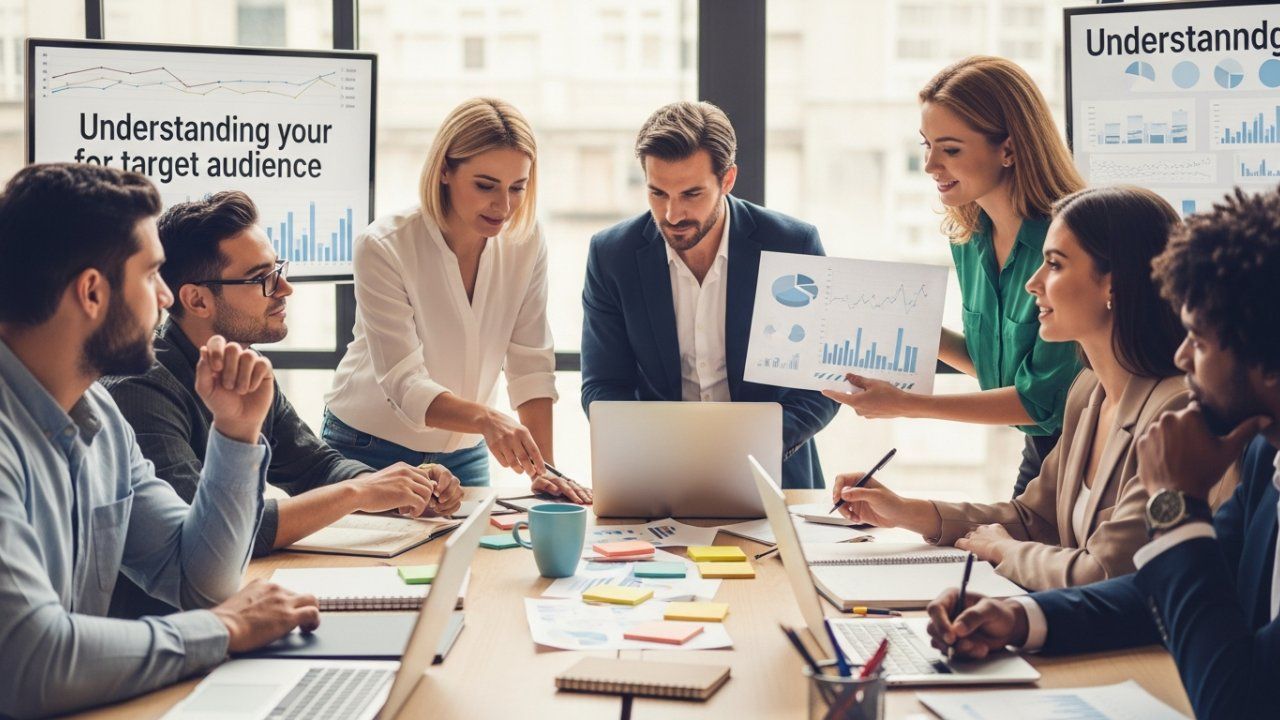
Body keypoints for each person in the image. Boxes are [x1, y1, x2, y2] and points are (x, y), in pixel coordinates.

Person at [923, 188, 1280, 719]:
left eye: (1201, 342)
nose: (1184, 356)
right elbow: (1158, 592)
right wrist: (1020, 618)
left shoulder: (1188, 420)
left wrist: (1176, 504)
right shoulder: (1264, 461)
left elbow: (1236, 704)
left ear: (1267, 363)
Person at [0, 163, 319, 718]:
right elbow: (31, 662)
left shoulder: (100, 417)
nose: (167, 298)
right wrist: (224, 629)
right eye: (151, 276)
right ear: (92, 293)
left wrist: (235, 434)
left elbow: (199, 580)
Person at [827, 186, 1233, 591]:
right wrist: (905, 511)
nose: (1032, 283)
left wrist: (1005, 551)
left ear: (1114, 285)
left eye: (1054, 265)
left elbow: (1106, 572)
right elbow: (1032, 518)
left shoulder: (1175, 409)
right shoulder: (1088, 391)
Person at [102, 191, 463, 617]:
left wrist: (399, 488)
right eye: (262, 278)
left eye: (278, 270)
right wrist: (359, 491)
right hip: (170, 628)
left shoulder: (242, 366)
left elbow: (314, 466)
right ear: (197, 300)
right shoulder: (140, 392)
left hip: (224, 606)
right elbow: (216, 537)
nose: (285, 288)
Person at [823, 56, 1084, 497]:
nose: (929, 165)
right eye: (926, 145)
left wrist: (906, 404)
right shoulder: (970, 237)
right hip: (1040, 450)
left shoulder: (1065, 243)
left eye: (950, 149)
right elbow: (997, 370)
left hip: (1089, 454)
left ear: (1009, 149)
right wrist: (899, 323)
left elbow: (1038, 400)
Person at [323, 98, 588, 502]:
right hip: (368, 449)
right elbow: (404, 382)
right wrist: (488, 419)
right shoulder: (383, 246)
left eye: (517, 188)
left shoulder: (526, 241)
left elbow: (530, 363)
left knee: (479, 546)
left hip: (464, 455)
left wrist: (544, 470)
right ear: (445, 170)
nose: (503, 206)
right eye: (485, 185)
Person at [580, 101, 837, 489]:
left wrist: (752, 447)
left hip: (774, 474)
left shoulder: (791, 245)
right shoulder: (612, 255)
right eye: (657, 193)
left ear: (727, 179)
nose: (672, 214)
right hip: (657, 475)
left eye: (691, 194)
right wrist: (654, 450)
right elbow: (602, 385)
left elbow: (821, 382)